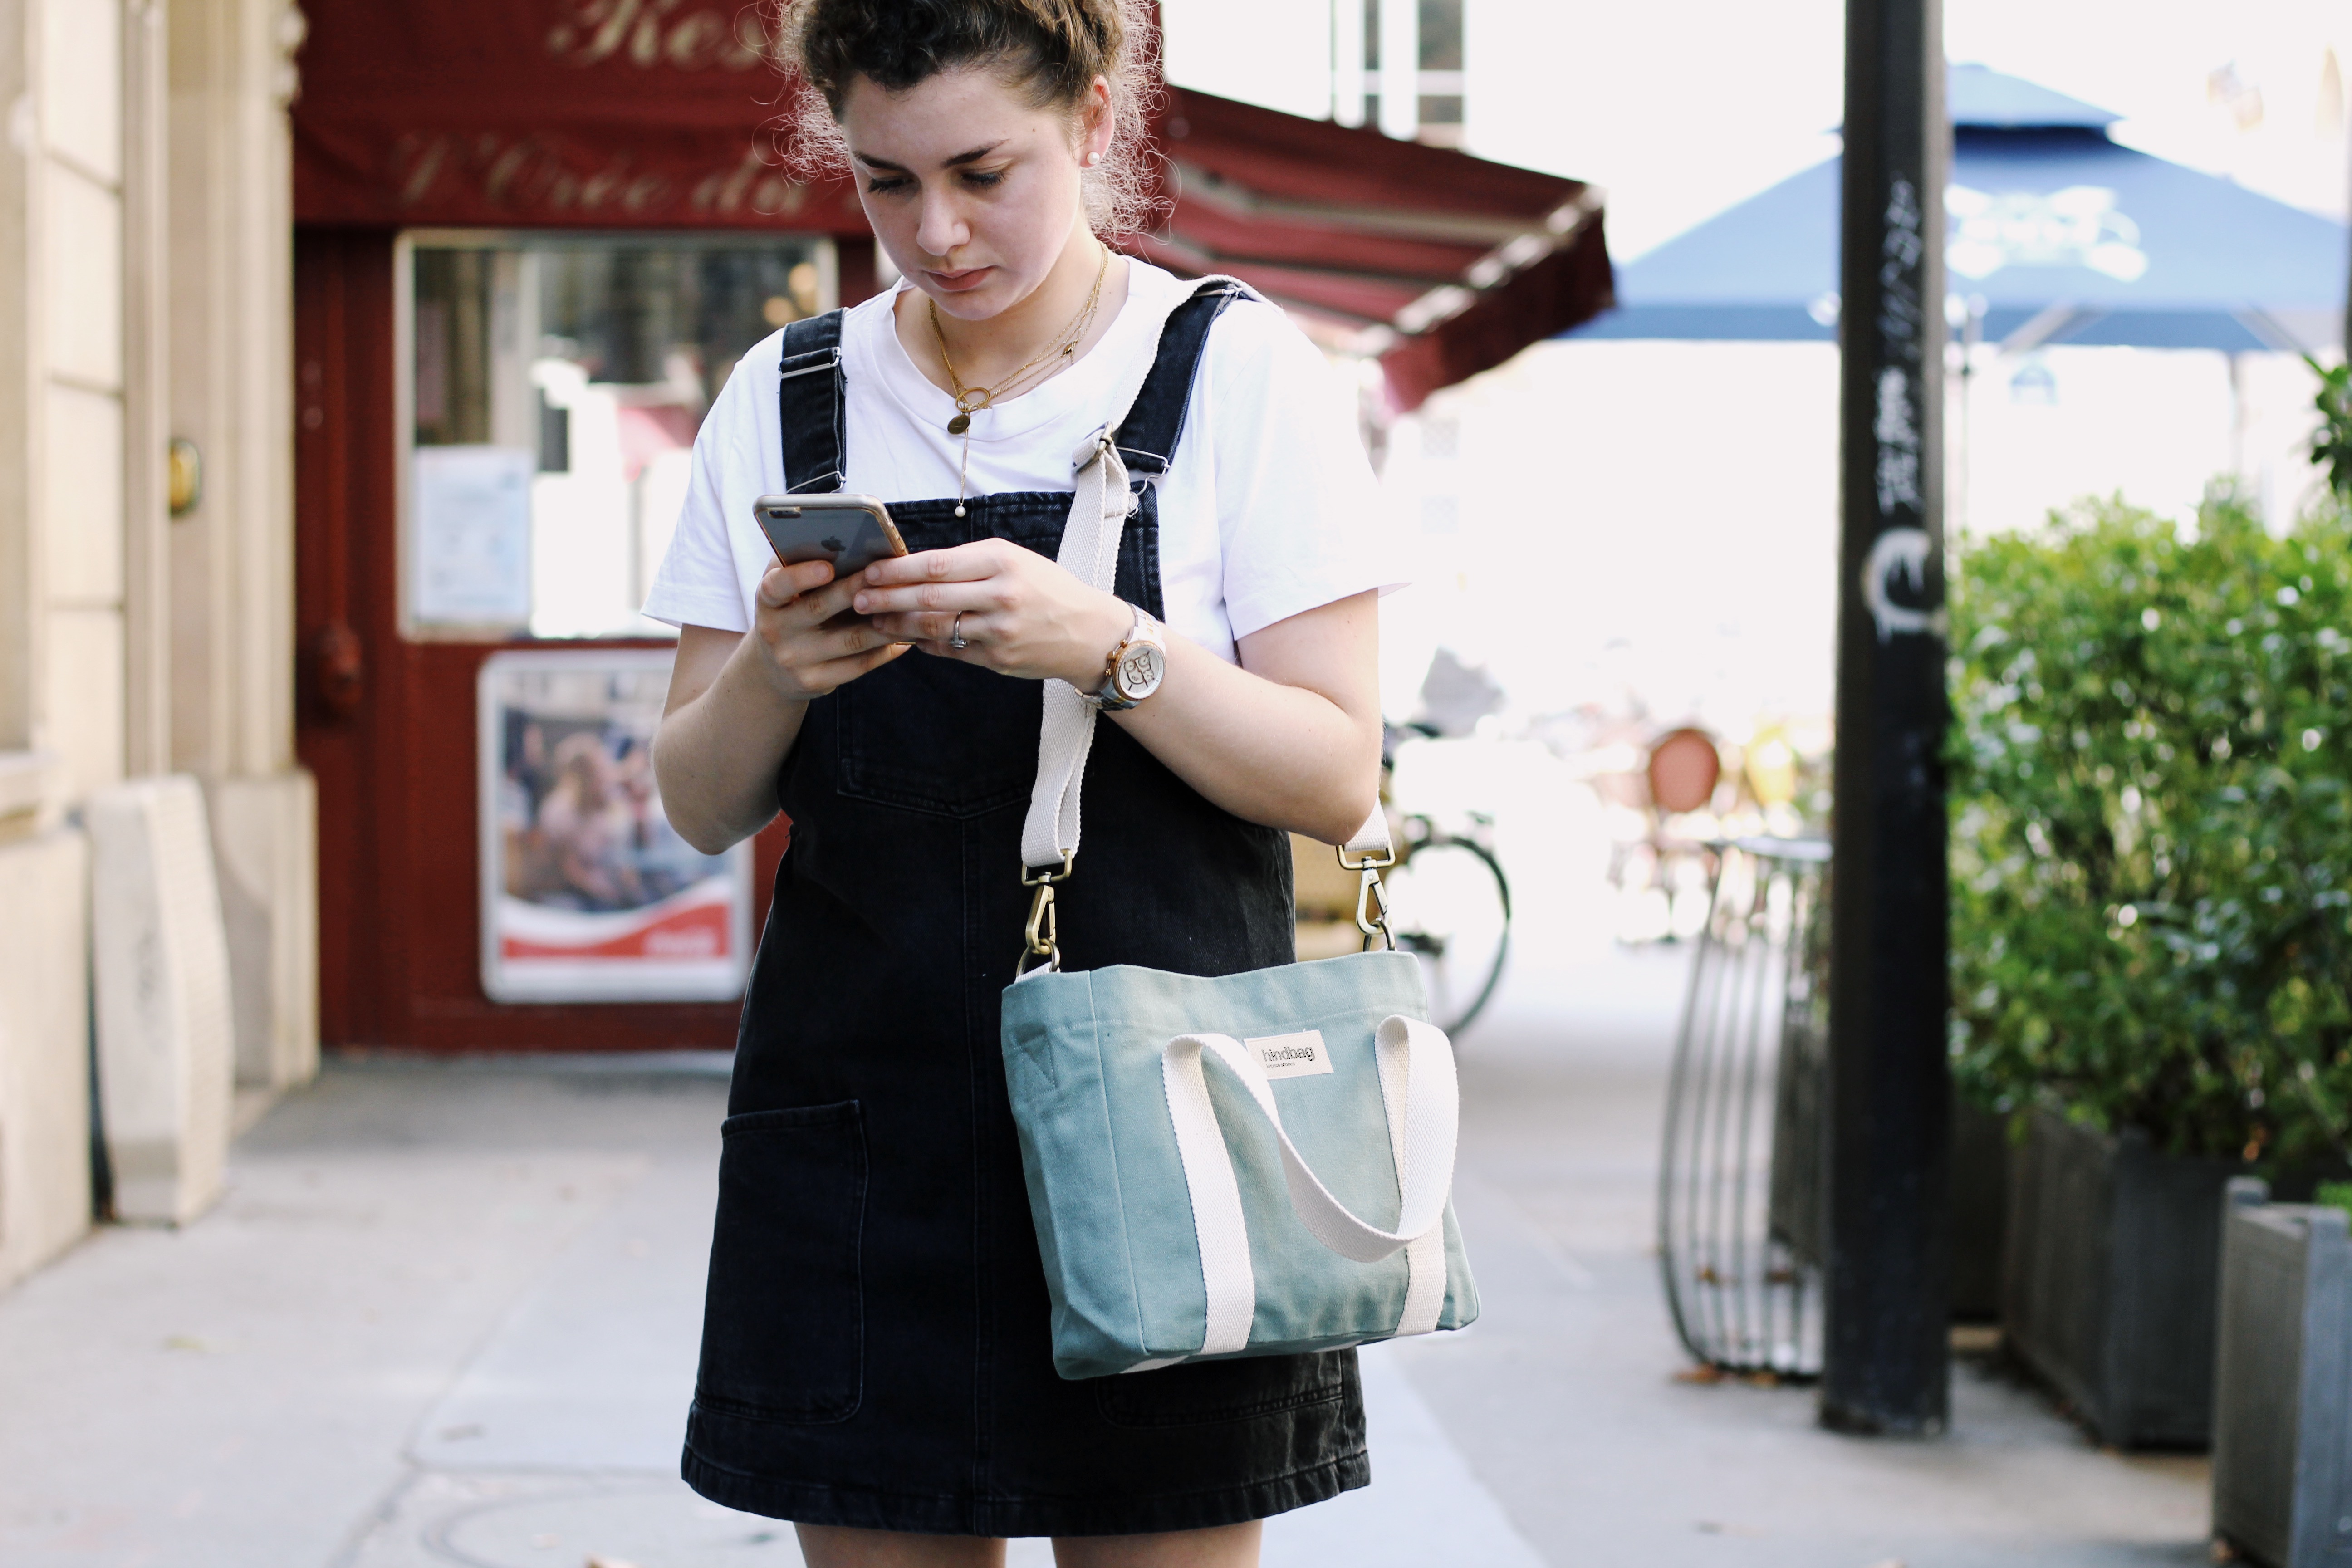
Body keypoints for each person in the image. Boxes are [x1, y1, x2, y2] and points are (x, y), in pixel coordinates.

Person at [645, 2, 1399, 1563]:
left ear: (1098, 116)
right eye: (886, 184)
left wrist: (1108, 644)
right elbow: (697, 802)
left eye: (985, 171)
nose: (938, 231)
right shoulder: (786, 399)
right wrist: (774, 673)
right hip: (860, 1135)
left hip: (1169, 1121)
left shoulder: (1237, 374)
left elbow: (1338, 776)